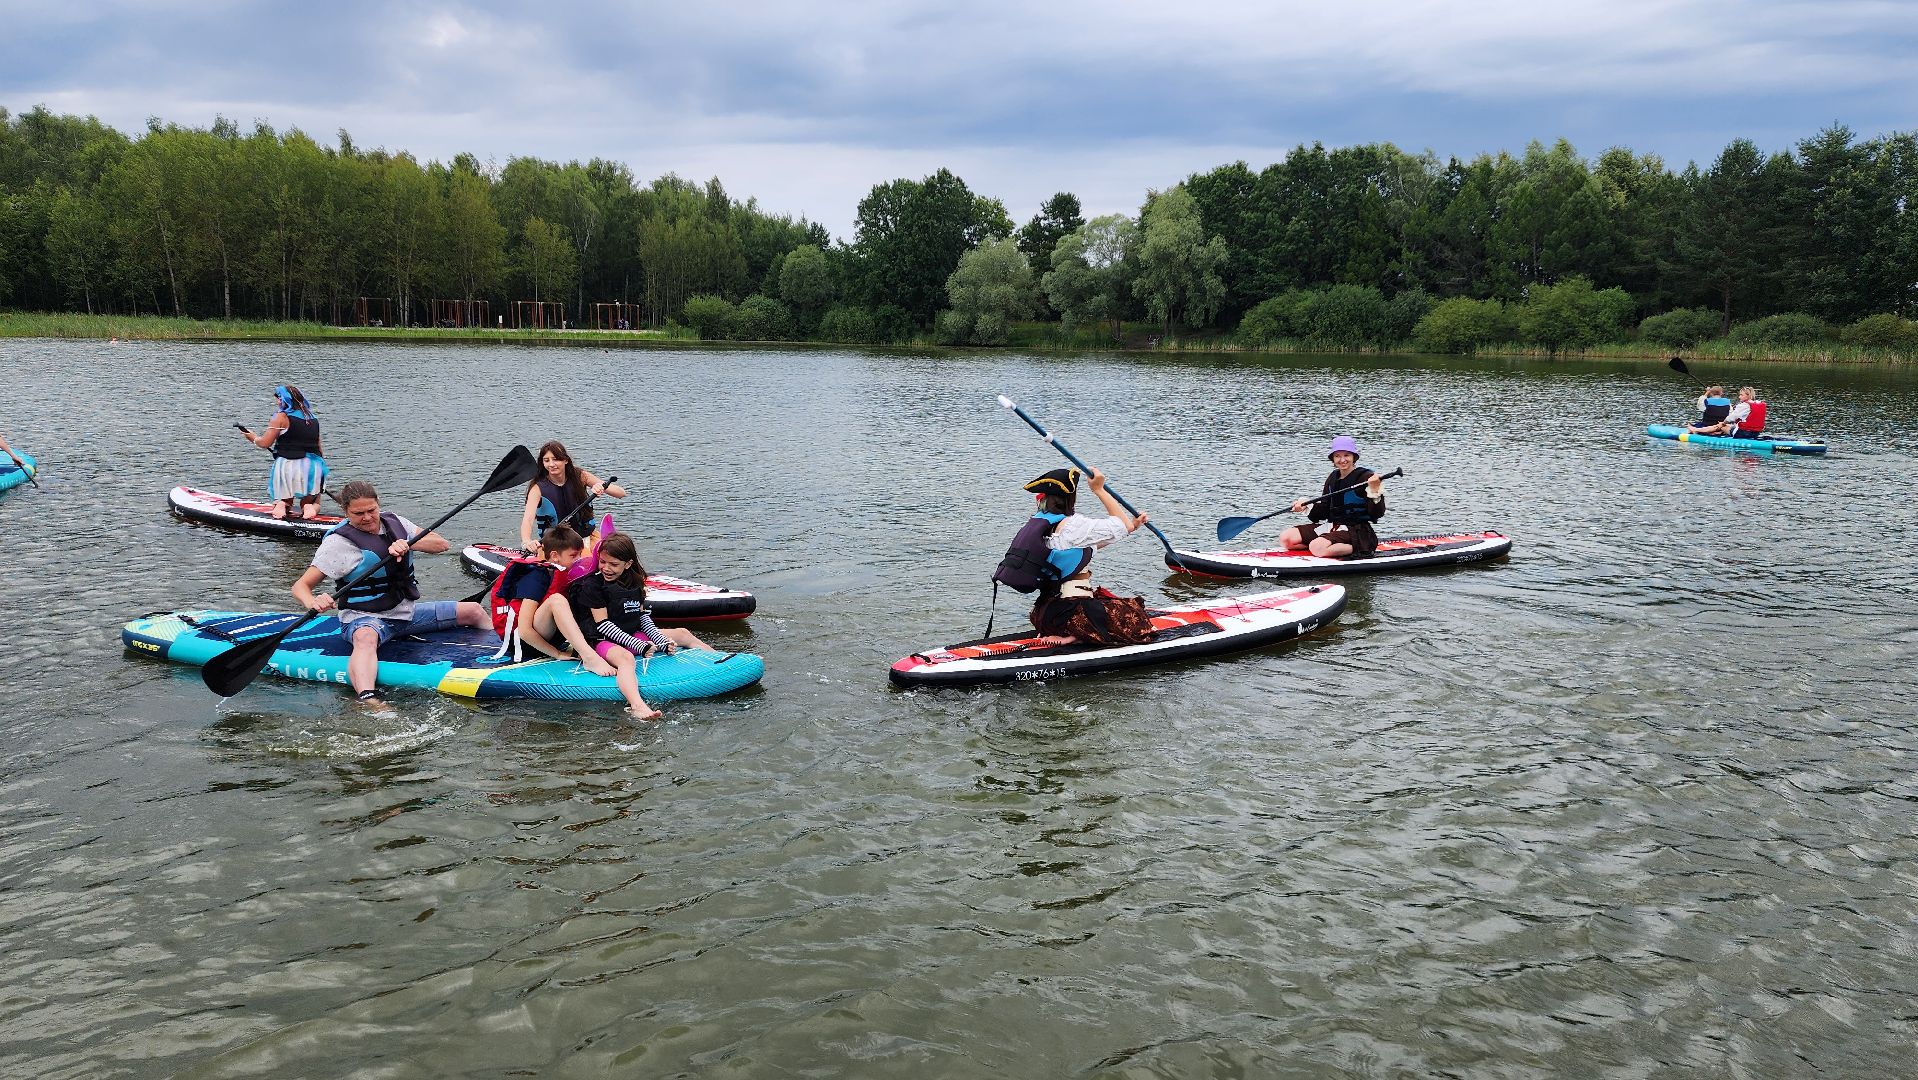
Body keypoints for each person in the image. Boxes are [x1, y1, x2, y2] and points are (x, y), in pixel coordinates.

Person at [291, 480, 493, 708]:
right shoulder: (338, 544)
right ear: (345, 512)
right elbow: (301, 586)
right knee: (365, 638)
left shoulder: (395, 522)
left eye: (371, 510)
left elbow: (441, 544)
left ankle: (508, 650)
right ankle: (368, 697)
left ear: (378, 505)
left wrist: (409, 543)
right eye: (358, 513)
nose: (367, 517)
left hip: (405, 614)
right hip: (364, 619)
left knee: (473, 611)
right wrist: (313, 601)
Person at [996, 466, 1156, 647]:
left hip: (1045, 614)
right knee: (1136, 616)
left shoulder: (1040, 526)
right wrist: (1098, 489)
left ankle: (1066, 632)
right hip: (1073, 617)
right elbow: (1120, 524)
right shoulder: (1073, 525)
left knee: (1104, 602)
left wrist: (1131, 527)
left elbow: (1093, 544)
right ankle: (1076, 636)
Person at [567, 532, 715, 720]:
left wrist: (660, 641)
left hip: (630, 634)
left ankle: (720, 658)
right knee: (626, 658)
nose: (606, 568)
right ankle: (637, 706)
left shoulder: (635, 581)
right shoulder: (593, 586)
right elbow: (603, 625)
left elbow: (642, 617)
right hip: (601, 641)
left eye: (614, 564)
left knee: (683, 633)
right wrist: (638, 646)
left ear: (628, 564)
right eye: (602, 562)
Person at [485, 524, 618, 676]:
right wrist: (557, 654)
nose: (579, 560)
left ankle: (593, 644)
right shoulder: (537, 576)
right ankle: (589, 658)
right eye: (574, 556)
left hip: (550, 637)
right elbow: (524, 631)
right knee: (556, 600)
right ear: (554, 556)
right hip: (525, 644)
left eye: (580, 554)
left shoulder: (567, 574)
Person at [1278, 436, 1387, 559]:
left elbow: (1378, 513)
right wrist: (1306, 506)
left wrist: (1374, 489)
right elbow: (1324, 511)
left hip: (1357, 531)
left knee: (1317, 547)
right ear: (1333, 459)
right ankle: (1323, 546)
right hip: (1333, 526)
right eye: (1337, 456)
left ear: (1354, 457)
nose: (1342, 460)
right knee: (1286, 539)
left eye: (1347, 455)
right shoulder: (1332, 478)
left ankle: (1363, 547)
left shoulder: (1366, 478)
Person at [241, 385, 328, 520]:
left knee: (285, 499)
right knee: (311, 501)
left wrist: (252, 437)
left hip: (288, 464)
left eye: (277, 399)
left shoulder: (281, 417)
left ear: (283, 400)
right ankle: (308, 507)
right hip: (313, 465)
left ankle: (282, 505)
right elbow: (319, 448)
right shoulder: (312, 418)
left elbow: (265, 443)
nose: (277, 403)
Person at [520, 441, 626, 550]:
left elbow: (621, 493)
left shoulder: (581, 476)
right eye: (546, 460)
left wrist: (602, 487)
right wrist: (526, 541)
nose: (551, 464)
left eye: (556, 459)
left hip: (586, 539)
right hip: (555, 545)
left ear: (565, 460)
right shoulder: (537, 488)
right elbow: (528, 519)